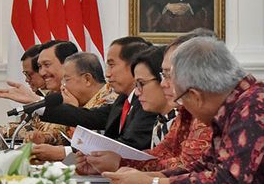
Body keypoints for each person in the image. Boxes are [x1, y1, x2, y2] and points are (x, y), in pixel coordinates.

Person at [105, 37, 264, 184]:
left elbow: (228, 183)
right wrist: (150, 176)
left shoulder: (254, 106)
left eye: (181, 100)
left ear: (196, 96)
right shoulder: (235, 106)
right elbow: (203, 166)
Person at [79, 30, 214, 174]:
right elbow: (163, 152)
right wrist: (108, 162)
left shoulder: (209, 111)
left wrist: (121, 165)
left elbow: (187, 166)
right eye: (163, 75)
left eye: (168, 75)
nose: (164, 84)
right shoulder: (186, 110)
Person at [39, 37, 158, 150]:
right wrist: (36, 105)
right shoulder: (124, 99)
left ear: (134, 66)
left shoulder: (147, 103)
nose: (107, 74)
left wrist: (65, 152)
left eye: (111, 65)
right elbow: (90, 117)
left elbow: (130, 147)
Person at [31, 52, 116, 161]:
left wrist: (74, 109)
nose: (63, 86)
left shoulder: (110, 99)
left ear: (87, 79)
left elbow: (95, 144)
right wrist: (45, 138)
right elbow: (62, 134)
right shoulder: (81, 100)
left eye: (67, 80)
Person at [0, 40, 78, 145]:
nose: (42, 72)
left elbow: (63, 133)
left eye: (46, 65)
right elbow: (31, 126)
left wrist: (35, 100)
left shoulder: (79, 96)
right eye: (40, 67)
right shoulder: (52, 95)